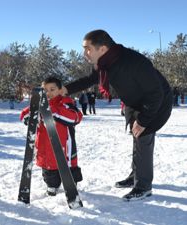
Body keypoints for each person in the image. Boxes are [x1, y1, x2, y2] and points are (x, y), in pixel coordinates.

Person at [64, 30, 172, 201]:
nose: (85, 53)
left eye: (88, 49)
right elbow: (91, 79)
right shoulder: (104, 64)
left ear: (103, 48)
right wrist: (65, 90)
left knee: (142, 136)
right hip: (134, 102)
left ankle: (143, 186)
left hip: (156, 102)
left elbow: (156, 93)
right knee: (136, 137)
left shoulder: (134, 62)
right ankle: (135, 175)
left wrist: (143, 121)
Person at [20, 77, 83, 196]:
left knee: (68, 167)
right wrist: (30, 117)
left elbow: (76, 117)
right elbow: (24, 114)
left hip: (64, 146)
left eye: (52, 89)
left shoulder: (65, 102)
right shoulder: (39, 104)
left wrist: (53, 111)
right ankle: (52, 185)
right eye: (45, 90)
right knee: (48, 168)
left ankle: (71, 184)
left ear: (60, 90)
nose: (48, 93)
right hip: (45, 145)